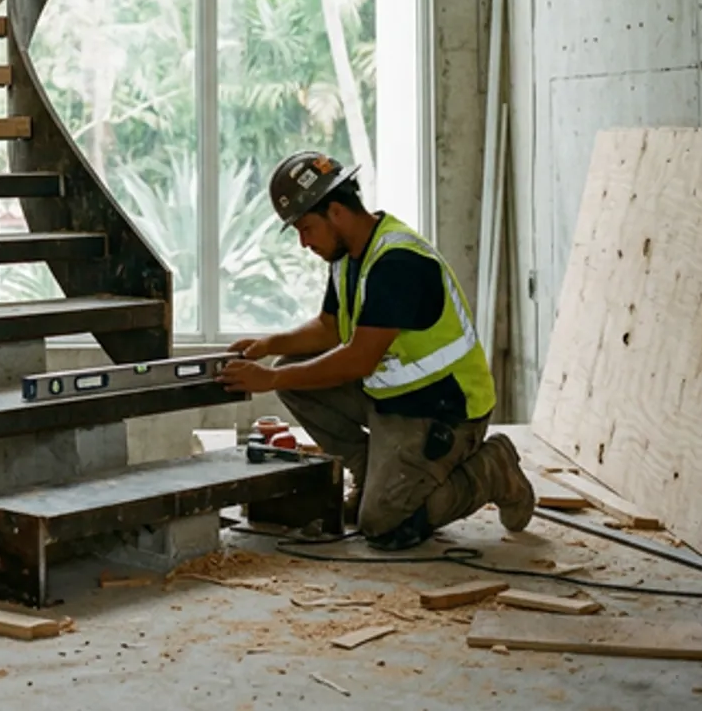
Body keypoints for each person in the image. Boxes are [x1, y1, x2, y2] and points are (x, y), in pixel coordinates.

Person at [219, 150, 535, 550]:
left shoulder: (397, 262)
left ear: (335, 212)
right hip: (389, 398)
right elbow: (330, 327)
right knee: (292, 373)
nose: (303, 242)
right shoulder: (348, 257)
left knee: (383, 525)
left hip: (442, 411)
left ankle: (493, 470)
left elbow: (359, 358)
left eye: (306, 228)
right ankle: (372, 474)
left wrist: (272, 378)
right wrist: (269, 345)